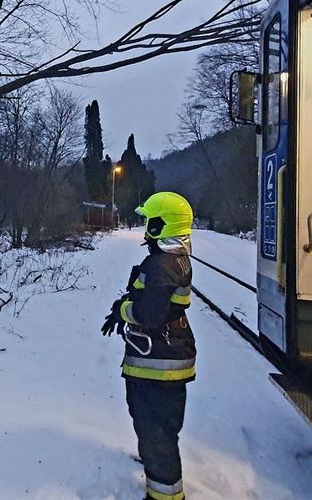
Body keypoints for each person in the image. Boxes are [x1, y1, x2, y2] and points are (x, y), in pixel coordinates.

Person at [101, 192, 196, 500]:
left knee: (154, 425)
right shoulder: (174, 259)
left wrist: (123, 310)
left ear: (161, 225)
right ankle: (156, 461)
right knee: (158, 424)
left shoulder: (162, 264)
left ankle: (165, 493)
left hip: (157, 360)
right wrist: (126, 303)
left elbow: (148, 314)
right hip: (167, 355)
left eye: (149, 221)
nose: (145, 227)